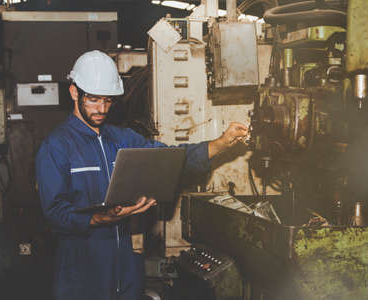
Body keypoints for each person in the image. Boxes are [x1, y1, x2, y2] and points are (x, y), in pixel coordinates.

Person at [35, 50, 248, 300]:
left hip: (125, 264)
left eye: (108, 100)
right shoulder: (56, 146)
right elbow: (56, 213)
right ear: (74, 93)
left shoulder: (122, 139)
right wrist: (103, 217)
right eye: (93, 100)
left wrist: (222, 143)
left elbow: (172, 159)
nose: (102, 108)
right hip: (82, 267)